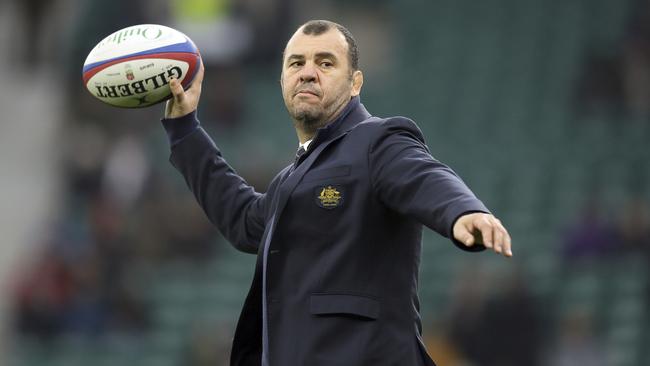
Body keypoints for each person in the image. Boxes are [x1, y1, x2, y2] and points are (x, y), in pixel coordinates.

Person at [161, 19, 512, 366]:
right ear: (283, 80)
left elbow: (423, 174)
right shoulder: (290, 179)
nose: (308, 72)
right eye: (296, 63)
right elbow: (242, 219)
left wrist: (462, 210)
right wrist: (184, 129)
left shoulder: (378, 140)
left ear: (355, 82)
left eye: (325, 63)